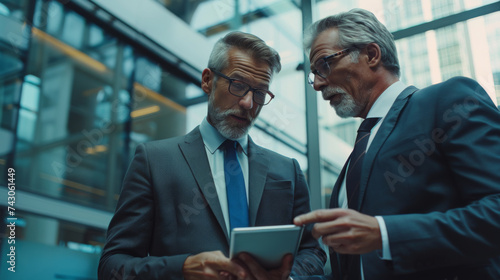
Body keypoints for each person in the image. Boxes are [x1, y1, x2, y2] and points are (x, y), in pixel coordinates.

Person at [98, 31, 326, 280]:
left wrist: (288, 278)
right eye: (237, 85)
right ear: (207, 80)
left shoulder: (287, 171)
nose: (248, 103)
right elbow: (113, 266)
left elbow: (312, 251)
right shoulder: (154, 161)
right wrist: (182, 268)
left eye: (260, 93)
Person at [294, 8, 500, 280]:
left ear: (371, 54)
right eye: (314, 74)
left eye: (324, 65)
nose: (318, 84)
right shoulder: (353, 162)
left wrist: (385, 233)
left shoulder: (448, 100)